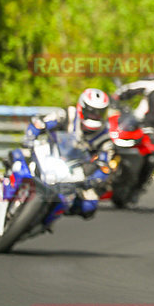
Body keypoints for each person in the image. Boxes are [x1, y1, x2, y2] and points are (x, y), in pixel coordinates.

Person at [17, 88, 114, 218]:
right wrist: (30, 138)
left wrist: (94, 179)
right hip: (50, 154)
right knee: (19, 156)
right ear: (82, 108)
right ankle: (6, 184)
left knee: (89, 206)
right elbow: (40, 123)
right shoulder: (68, 114)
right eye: (92, 112)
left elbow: (105, 164)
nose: (95, 116)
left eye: (99, 113)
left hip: (75, 172)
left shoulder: (105, 135)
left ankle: (51, 216)